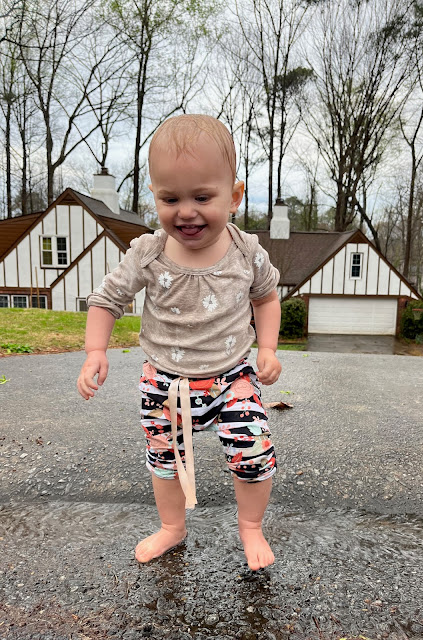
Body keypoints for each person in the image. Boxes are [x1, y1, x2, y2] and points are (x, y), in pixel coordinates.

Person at [77, 114, 282, 571]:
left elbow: (267, 297)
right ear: (155, 195)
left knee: (253, 454)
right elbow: (107, 299)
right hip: (164, 383)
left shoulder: (246, 252)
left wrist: (267, 348)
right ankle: (172, 527)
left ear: (234, 196)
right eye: (170, 198)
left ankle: (251, 526)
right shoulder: (147, 253)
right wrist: (95, 351)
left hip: (232, 379)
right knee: (164, 461)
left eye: (202, 197)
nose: (186, 211)